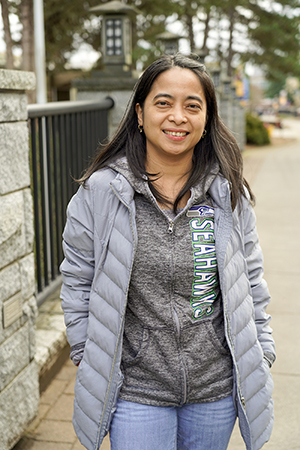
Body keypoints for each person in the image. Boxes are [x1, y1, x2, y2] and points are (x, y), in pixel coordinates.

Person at [60, 54, 275, 450]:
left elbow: (251, 277)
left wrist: (263, 348)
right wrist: (83, 347)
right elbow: (78, 277)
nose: (178, 116)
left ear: (206, 120)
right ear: (140, 113)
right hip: (137, 389)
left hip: (216, 388)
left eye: (192, 106)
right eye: (164, 103)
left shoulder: (226, 193)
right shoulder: (102, 192)